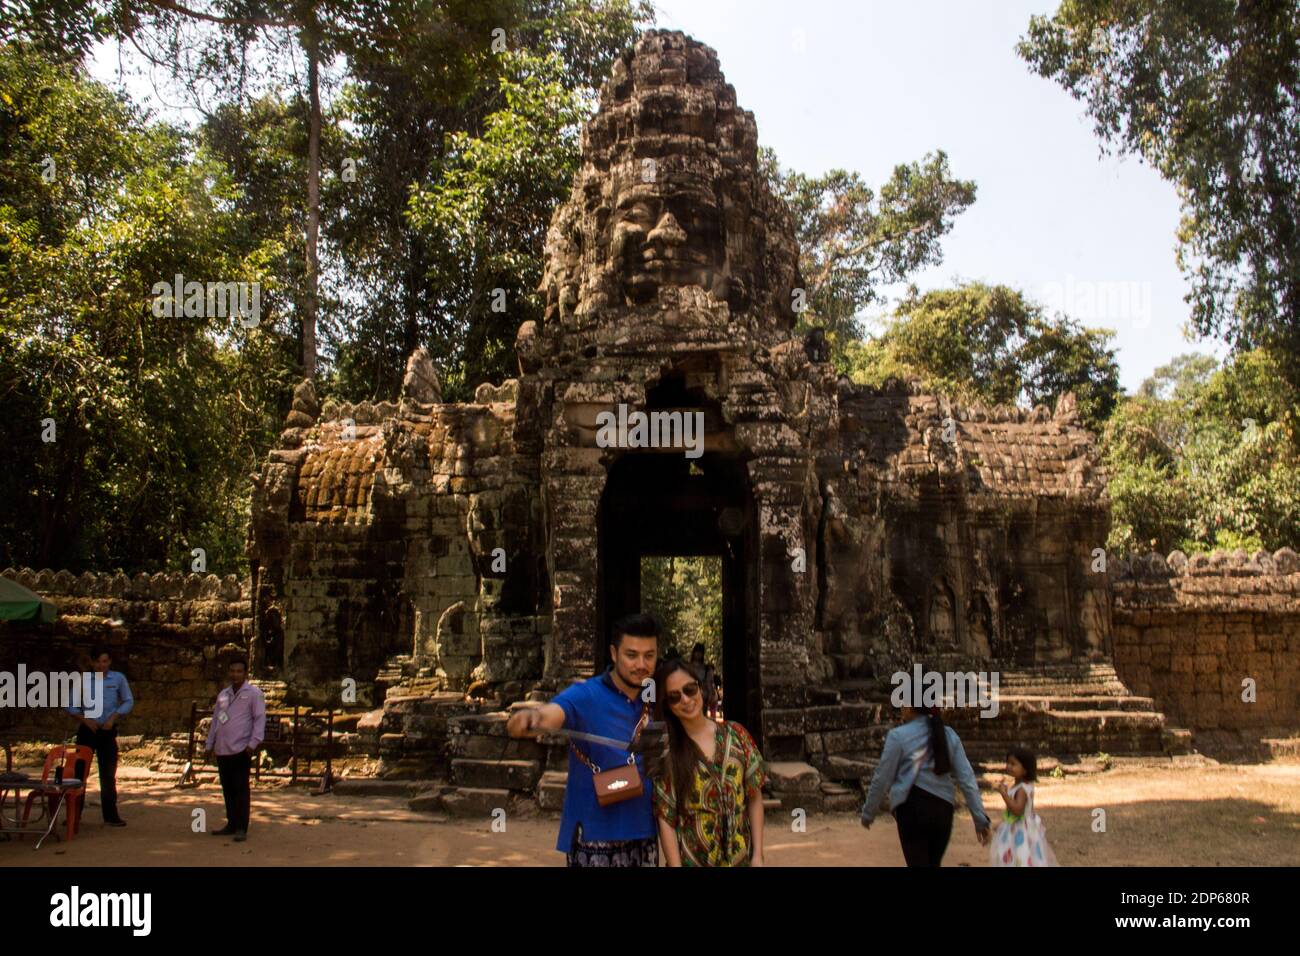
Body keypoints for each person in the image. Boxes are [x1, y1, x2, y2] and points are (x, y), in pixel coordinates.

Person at [507, 613, 660, 867]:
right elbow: (554, 713)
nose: (641, 664)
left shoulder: (658, 697)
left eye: (649, 656)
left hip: (644, 832)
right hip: (595, 838)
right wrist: (531, 718)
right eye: (631, 655)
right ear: (614, 653)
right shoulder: (585, 694)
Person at [653, 657, 765, 867]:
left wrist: (758, 855)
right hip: (693, 860)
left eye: (690, 689)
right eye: (675, 697)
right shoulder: (668, 751)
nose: (686, 700)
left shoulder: (737, 735)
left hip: (740, 857)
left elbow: (754, 796)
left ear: (701, 687)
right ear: (667, 706)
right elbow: (666, 817)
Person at [860, 703, 991, 866]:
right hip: (943, 811)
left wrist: (868, 812)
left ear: (909, 708)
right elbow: (967, 779)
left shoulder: (898, 736)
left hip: (912, 809)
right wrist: (980, 819)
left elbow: (882, 778)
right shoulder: (949, 735)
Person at [66, 646, 133, 827]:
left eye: (104, 661)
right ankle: (74, 814)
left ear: (109, 661)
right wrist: (85, 719)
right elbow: (71, 705)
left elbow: (128, 700)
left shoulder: (118, 679)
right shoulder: (83, 680)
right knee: (79, 773)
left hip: (107, 729)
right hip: (88, 729)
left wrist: (114, 717)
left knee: (108, 773)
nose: (101, 665)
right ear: (92, 662)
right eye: (97, 662)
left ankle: (111, 816)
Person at [204, 658, 266, 842]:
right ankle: (231, 823)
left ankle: (241, 827)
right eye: (232, 671)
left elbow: (259, 719)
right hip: (222, 749)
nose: (235, 674)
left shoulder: (254, 694)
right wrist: (209, 744)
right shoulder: (223, 695)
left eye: (239, 671)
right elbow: (217, 719)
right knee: (228, 789)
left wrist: (252, 744)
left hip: (241, 748)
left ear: (245, 673)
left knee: (241, 789)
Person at [990, 748, 1058, 867]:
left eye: (1013, 764)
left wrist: (1004, 794)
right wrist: (1001, 824)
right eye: (1008, 763)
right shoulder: (1019, 786)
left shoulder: (1022, 789)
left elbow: (1017, 810)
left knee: (1021, 856)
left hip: (1020, 831)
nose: (1009, 766)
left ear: (1025, 769)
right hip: (1016, 827)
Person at [689, 643, 722, 719]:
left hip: (703, 698)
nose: (698, 654)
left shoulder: (706, 669)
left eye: (700, 652)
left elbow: (709, 684)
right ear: (694, 652)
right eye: (697, 651)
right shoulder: (687, 667)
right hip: (690, 697)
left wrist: (710, 696)